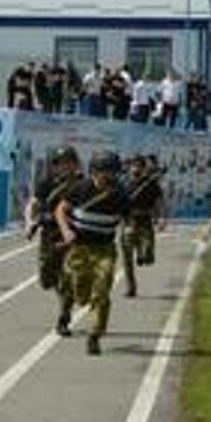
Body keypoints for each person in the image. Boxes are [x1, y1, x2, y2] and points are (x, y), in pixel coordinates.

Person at [54, 149, 126, 355]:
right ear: (94, 171)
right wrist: (66, 231)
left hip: (104, 250)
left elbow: (127, 216)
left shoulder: (120, 194)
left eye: (113, 172)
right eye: (106, 171)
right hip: (79, 249)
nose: (110, 176)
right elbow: (60, 209)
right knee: (80, 292)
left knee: (102, 291)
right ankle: (70, 310)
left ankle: (95, 334)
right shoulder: (80, 188)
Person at [27, 146, 80, 296]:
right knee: (47, 279)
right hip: (49, 234)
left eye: (68, 162)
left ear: (75, 164)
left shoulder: (83, 184)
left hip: (72, 234)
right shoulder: (46, 184)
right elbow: (33, 204)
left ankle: (66, 303)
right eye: (59, 163)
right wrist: (30, 222)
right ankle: (64, 295)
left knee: (67, 272)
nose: (64, 166)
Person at [119, 154, 165, 299]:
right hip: (128, 221)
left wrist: (161, 218)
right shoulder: (124, 183)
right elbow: (116, 202)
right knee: (127, 258)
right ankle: (130, 287)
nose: (136, 169)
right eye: (134, 166)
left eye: (139, 166)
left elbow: (159, 202)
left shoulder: (151, 184)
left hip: (145, 220)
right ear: (130, 167)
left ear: (144, 168)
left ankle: (143, 253)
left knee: (148, 255)